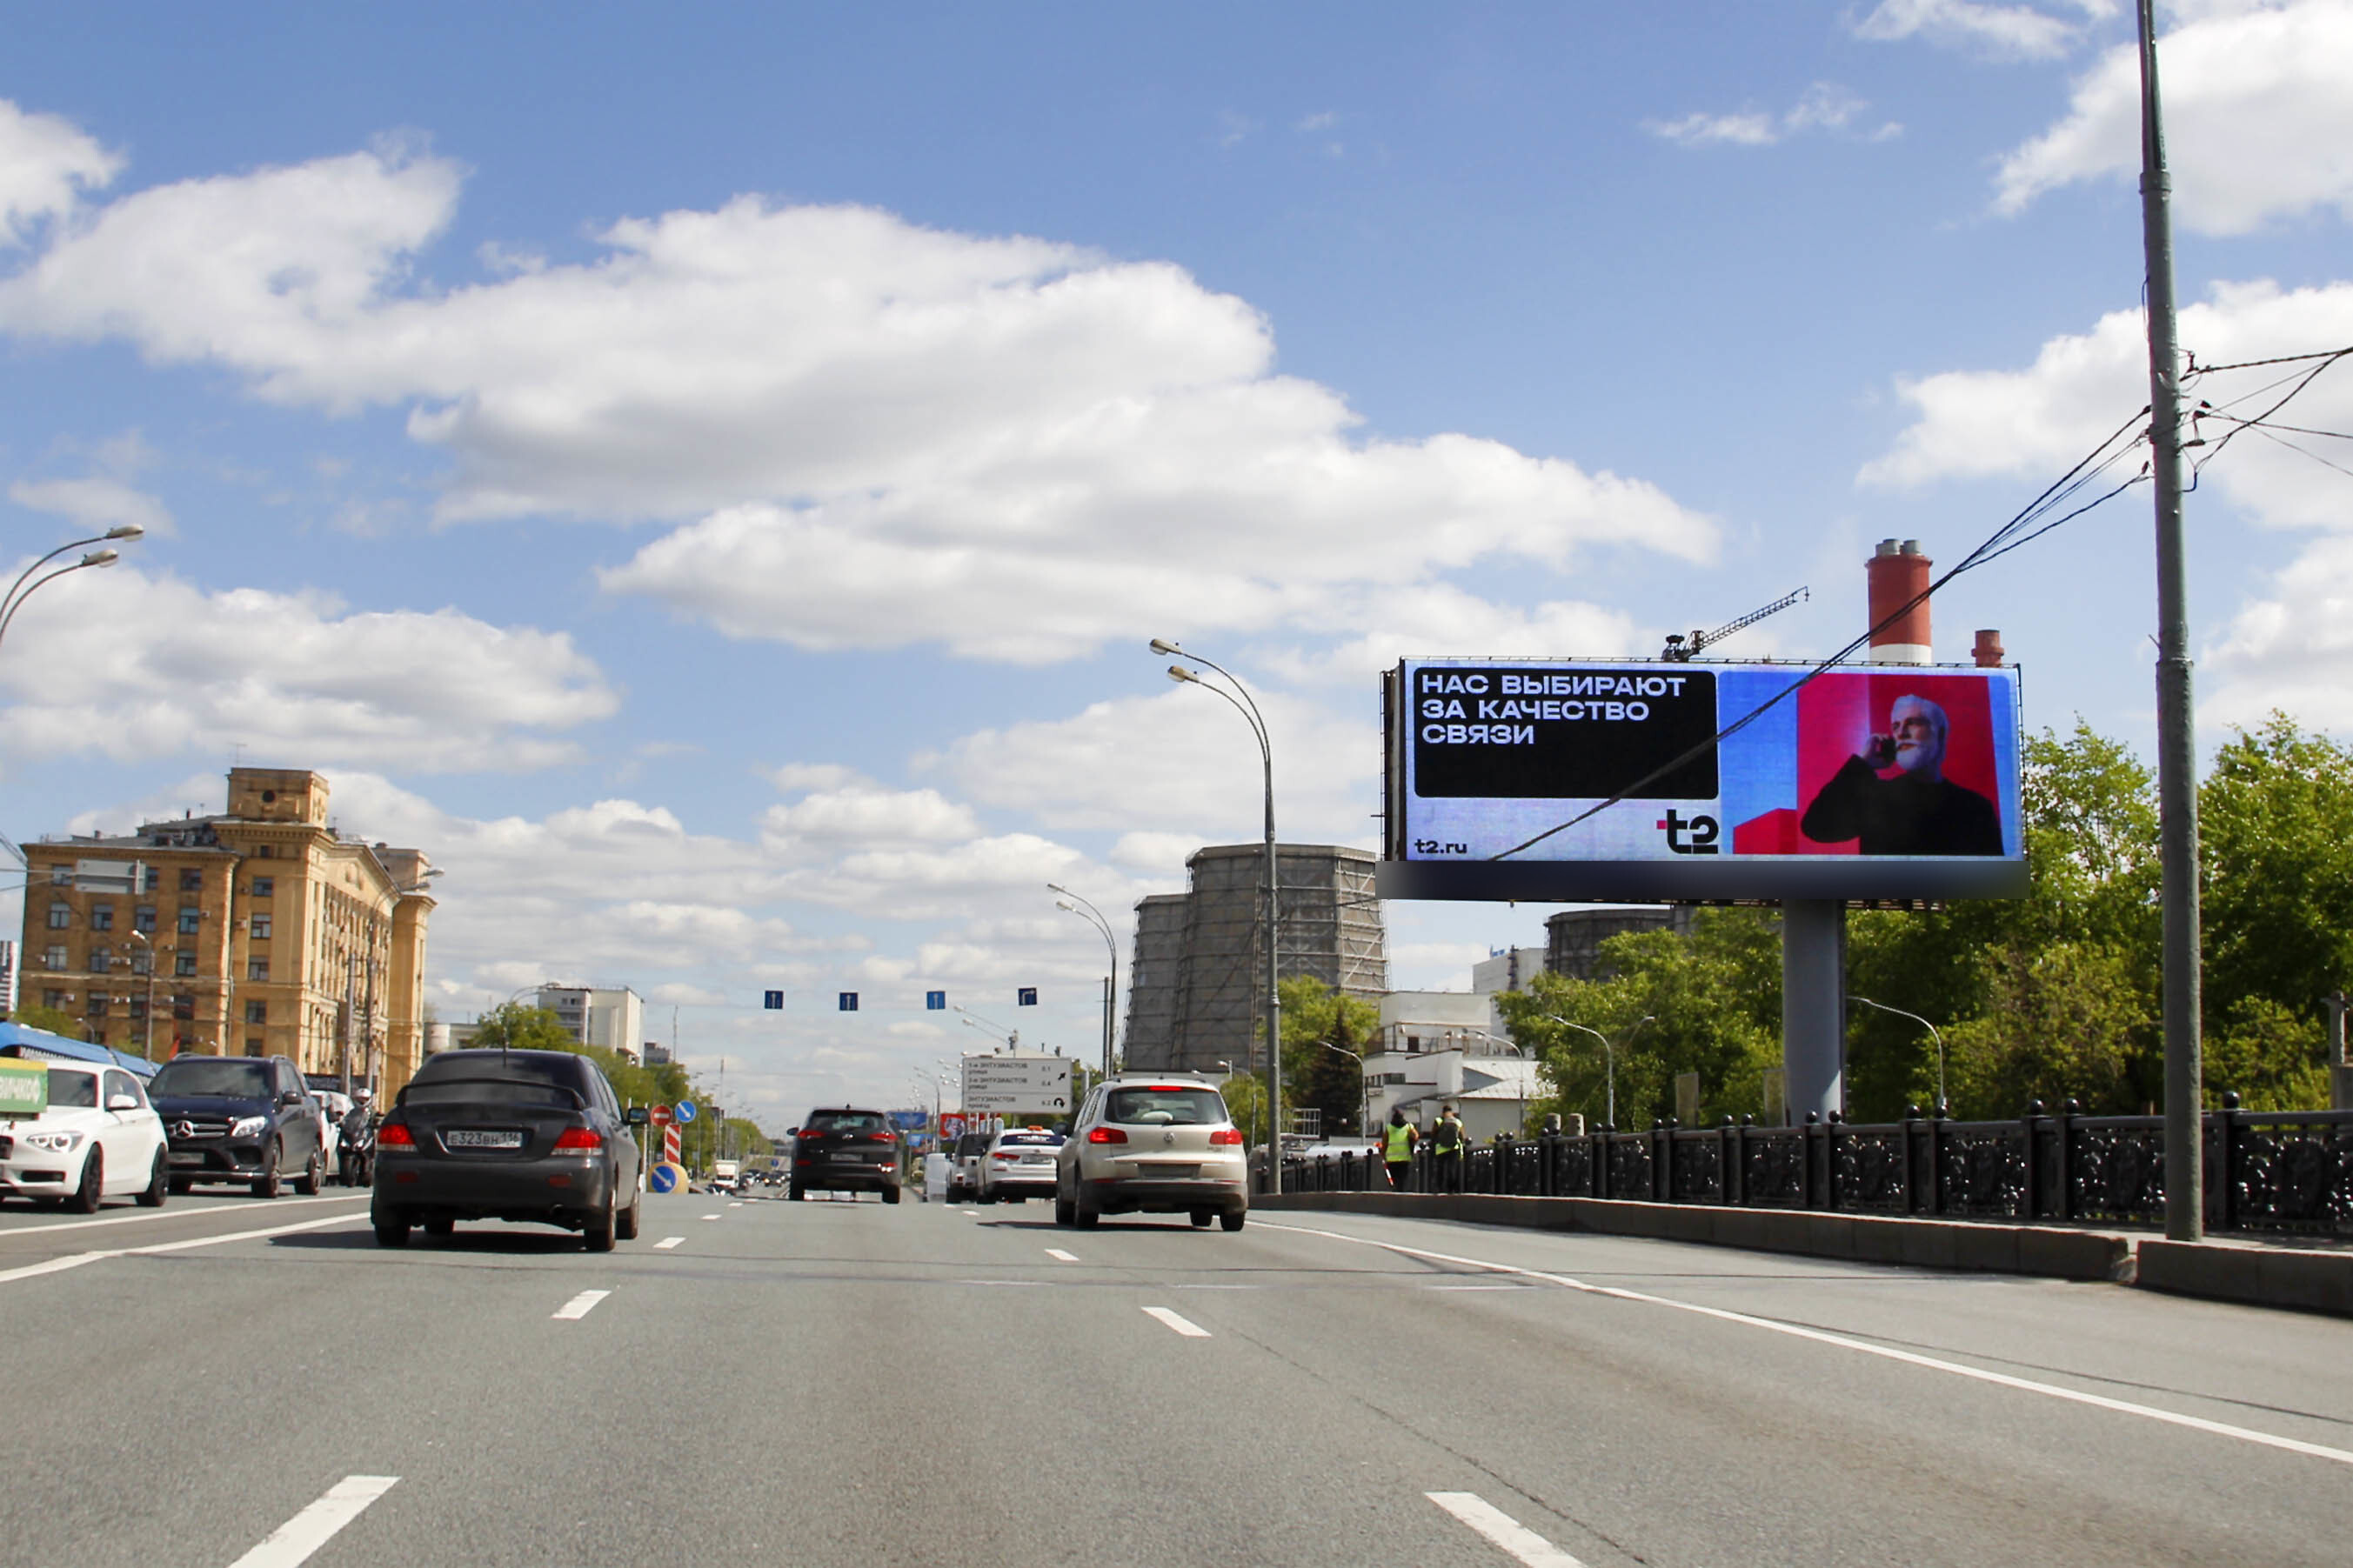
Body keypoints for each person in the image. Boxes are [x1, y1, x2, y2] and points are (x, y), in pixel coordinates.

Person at [1800, 693, 2002, 856]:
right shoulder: (1877, 797)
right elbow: (1817, 827)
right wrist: (1862, 764)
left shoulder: (1974, 807)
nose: (1901, 733)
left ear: (1940, 734)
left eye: (1913, 723)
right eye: (1896, 726)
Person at [1430, 1104, 1466, 1194]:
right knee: (1452, 1169)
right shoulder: (1457, 1122)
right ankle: (1452, 1190)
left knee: (1440, 1170)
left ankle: (1440, 1189)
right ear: (1452, 1112)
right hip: (1454, 1148)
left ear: (1443, 1112)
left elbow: (1433, 1135)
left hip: (1441, 1149)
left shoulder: (1438, 1121)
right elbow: (1462, 1137)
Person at [1380, 1107, 1419, 1191]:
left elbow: (1384, 1143)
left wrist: (1383, 1155)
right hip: (1405, 1158)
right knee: (1403, 1180)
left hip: (1391, 1159)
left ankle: (1396, 1193)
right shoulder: (1408, 1126)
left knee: (1394, 1179)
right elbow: (1416, 1136)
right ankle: (1401, 1194)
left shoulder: (1389, 1127)